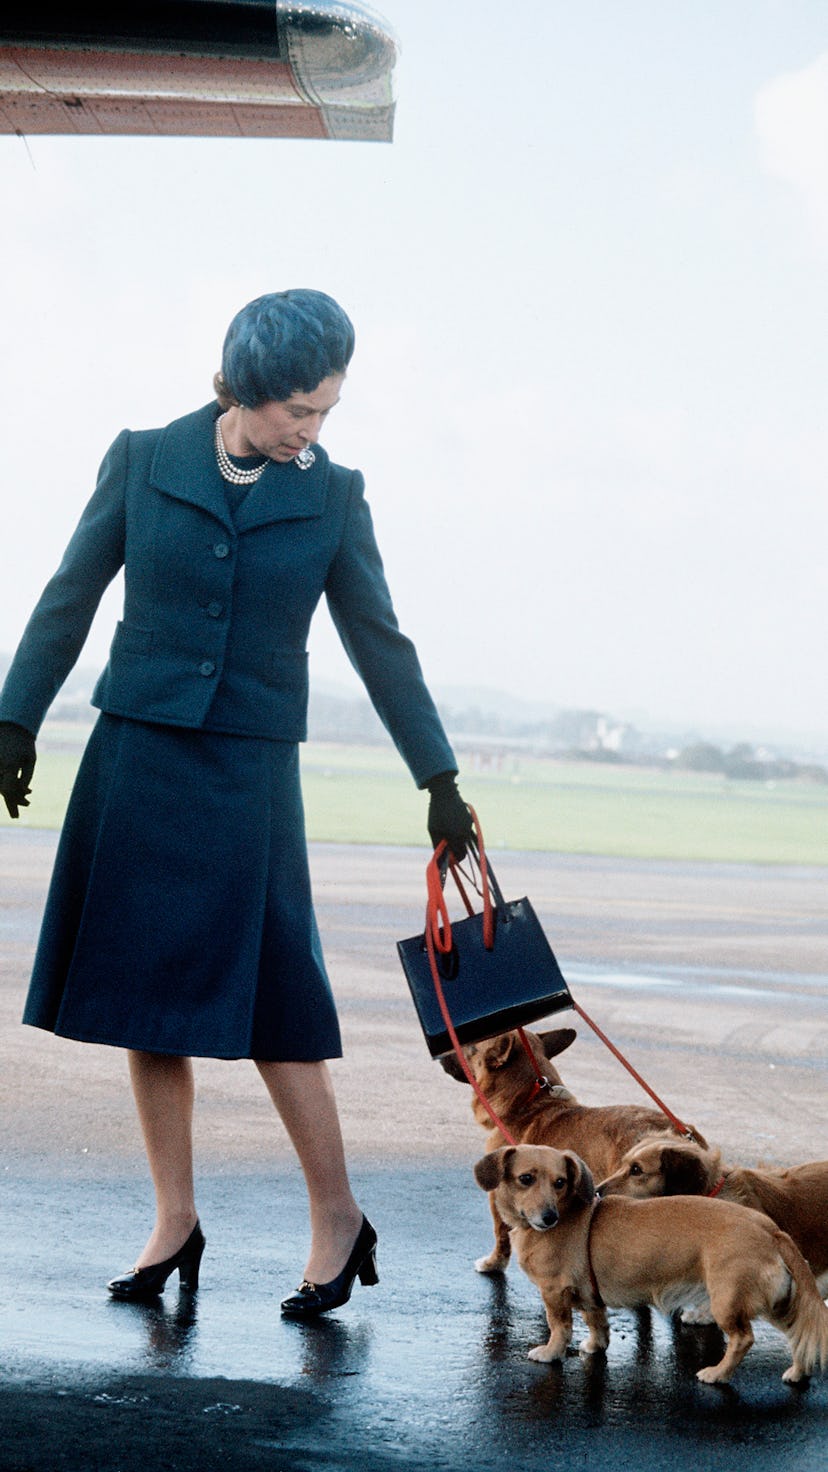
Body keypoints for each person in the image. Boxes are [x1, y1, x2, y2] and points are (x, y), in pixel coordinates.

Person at [0, 289, 474, 1318]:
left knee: (277, 1005)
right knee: (143, 999)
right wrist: (14, 718)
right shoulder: (141, 458)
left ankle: (338, 1217)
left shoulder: (335, 496)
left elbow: (378, 639)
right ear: (244, 387)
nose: (312, 430)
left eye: (325, 412)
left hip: (251, 772)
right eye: (299, 410)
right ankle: (175, 1219)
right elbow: (68, 594)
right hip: (139, 753)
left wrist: (437, 777)